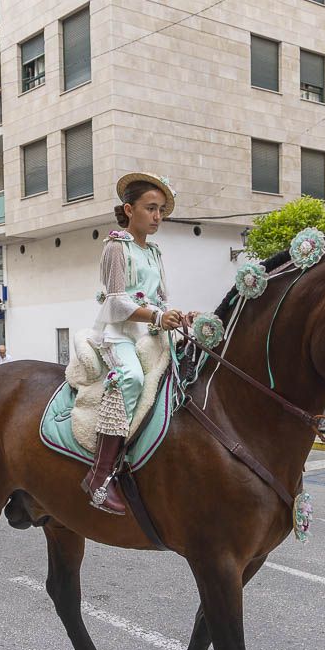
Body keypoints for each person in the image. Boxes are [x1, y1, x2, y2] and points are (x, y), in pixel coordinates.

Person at [84, 172, 196, 514]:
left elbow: (159, 298)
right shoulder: (116, 247)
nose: (157, 216)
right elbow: (115, 303)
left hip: (151, 334)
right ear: (129, 209)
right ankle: (100, 475)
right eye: (151, 208)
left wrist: (175, 315)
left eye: (161, 209)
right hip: (119, 334)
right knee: (130, 378)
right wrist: (158, 318)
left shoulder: (156, 252)